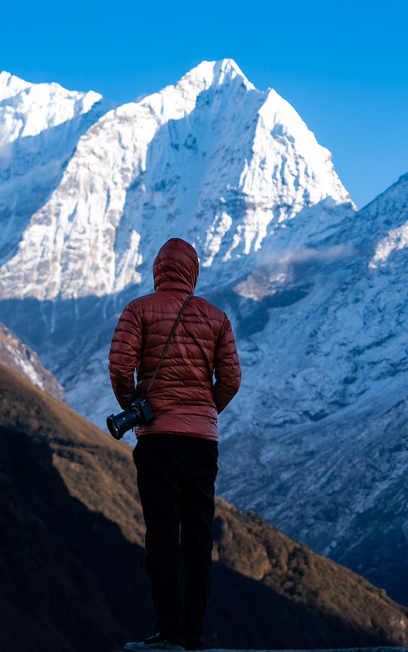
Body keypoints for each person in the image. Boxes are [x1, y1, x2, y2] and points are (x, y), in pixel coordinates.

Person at [109, 238, 241, 652]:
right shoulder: (217, 318)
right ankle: (193, 634)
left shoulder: (139, 310)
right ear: (193, 271)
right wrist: (205, 411)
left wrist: (135, 406)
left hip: (158, 442)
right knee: (198, 538)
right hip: (202, 443)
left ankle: (169, 631)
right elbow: (232, 378)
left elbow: (119, 365)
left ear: (158, 270)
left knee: (163, 535)